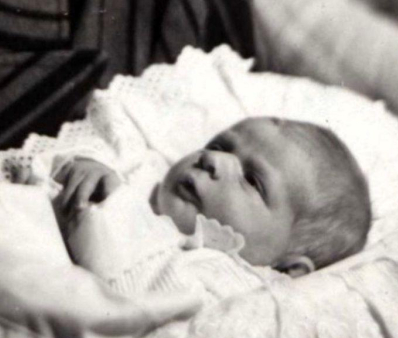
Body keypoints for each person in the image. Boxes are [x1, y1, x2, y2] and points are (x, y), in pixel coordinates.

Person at [51, 117, 371, 279]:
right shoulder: (141, 174)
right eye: (219, 145)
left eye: (252, 180)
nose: (212, 160)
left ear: (287, 269)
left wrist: (111, 211)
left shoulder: (220, 283)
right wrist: (81, 168)